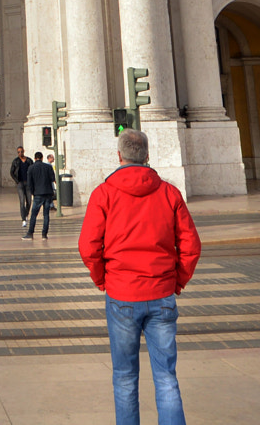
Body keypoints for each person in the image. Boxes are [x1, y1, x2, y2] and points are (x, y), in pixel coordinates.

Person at [80, 130, 200, 425]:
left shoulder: (103, 194)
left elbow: (88, 246)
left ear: (119, 156)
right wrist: (177, 281)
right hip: (161, 294)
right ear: (147, 156)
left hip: (121, 294)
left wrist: (102, 279)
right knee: (166, 377)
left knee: (124, 377)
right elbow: (191, 246)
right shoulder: (169, 193)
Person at [25, 150, 58, 240]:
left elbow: (29, 183)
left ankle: (30, 233)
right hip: (48, 193)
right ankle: (44, 234)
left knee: (34, 214)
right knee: (46, 215)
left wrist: (32, 192)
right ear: (42, 158)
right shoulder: (48, 167)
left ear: (35, 158)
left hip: (38, 194)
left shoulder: (31, 168)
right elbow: (52, 178)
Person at [11, 147, 32, 222]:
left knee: (29, 201)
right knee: (22, 201)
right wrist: (17, 181)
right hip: (20, 183)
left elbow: (32, 171)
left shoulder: (29, 160)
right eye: (18, 152)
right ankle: (23, 218)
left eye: (21, 151)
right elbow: (12, 172)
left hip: (28, 183)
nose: (20, 153)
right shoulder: (16, 161)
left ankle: (26, 214)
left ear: (24, 151)